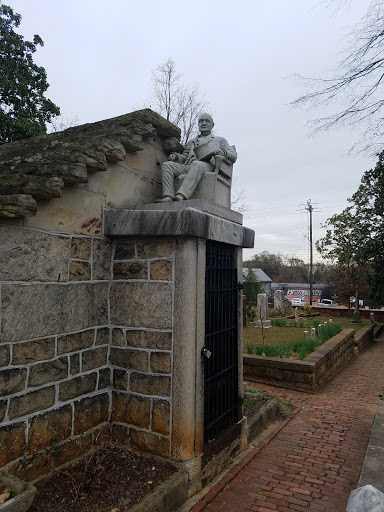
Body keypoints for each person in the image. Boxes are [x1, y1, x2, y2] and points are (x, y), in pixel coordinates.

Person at [156, 113, 237, 202]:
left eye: (207, 121)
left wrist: (223, 152)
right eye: (201, 121)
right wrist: (176, 157)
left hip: (208, 166)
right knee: (167, 165)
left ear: (212, 125)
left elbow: (233, 155)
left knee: (197, 164)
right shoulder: (192, 141)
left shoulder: (219, 140)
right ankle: (168, 196)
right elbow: (184, 157)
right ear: (198, 124)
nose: (204, 123)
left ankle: (181, 195)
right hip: (189, 166)